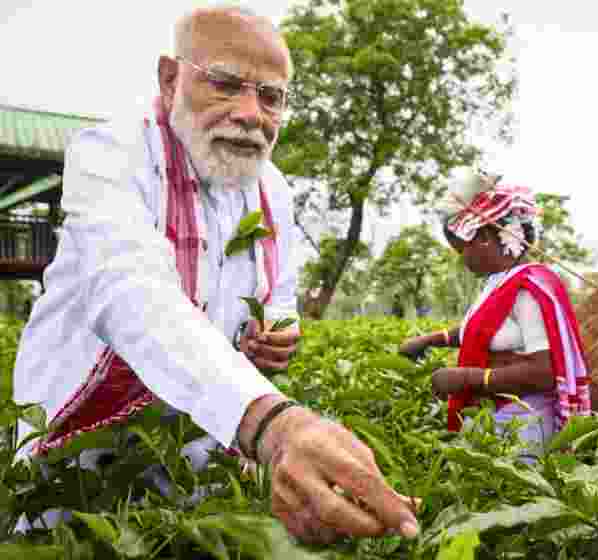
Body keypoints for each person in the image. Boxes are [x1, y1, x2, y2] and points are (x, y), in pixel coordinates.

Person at [11, 6, 417, 543]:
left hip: (202, 442)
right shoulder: (112, 156)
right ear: (170, 78)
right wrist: (272, 423)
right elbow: (131, 291)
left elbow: (281, 294)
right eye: (226, 85)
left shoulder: (272, 190)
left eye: (271, 96)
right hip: (78, 453)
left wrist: (279, 332)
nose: (252, 114)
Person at [398, 174, 591, 460]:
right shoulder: (498, 282)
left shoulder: (528, 288)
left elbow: (545, 372)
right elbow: (480, 330)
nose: (462, 258)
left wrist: (466, 378)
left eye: (463, 249)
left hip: (526, 425)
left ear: (487, 238)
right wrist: (428, 340)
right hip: (498, 415)